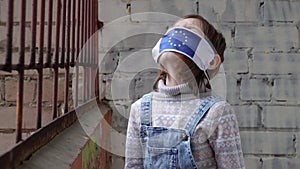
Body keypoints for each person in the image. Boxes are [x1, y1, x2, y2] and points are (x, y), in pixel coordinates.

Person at [125, 14, 245, 169]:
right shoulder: (139, 109)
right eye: (173, 30)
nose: (176, 35)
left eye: (189, 30)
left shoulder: (218, 112)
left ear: (211, 61)